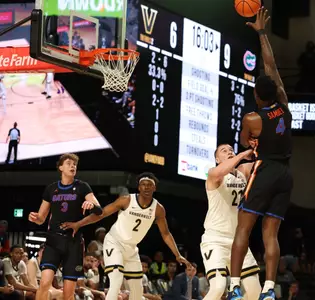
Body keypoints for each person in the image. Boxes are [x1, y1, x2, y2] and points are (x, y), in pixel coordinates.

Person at [229, 8, 293, 300]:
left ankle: (233, 286)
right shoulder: (283, 103)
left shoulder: (253, 118)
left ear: (257, 95)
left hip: (265, 170)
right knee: (271, 234)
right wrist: (262, 33)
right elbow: (271, 66)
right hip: (286, 173)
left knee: (244, 226)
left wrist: (252, 140)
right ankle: (269, 289)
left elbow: (245, 142)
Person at [61, 172, 191, 300]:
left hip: (131, 249)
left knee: (137, 289)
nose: (146, 187)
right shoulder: (126, 200)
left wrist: (177, 254)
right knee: (116, 279)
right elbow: (101, 214)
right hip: (114, 242)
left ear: (154, 188)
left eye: (149, 185)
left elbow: (166, 233)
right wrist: (78, 224)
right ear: (139, 187)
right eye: (143, 184)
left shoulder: (158, 209)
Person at [28, 153, 103, 300]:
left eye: (75, 164)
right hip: (53, 241)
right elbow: (42, 218)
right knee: (44, 282)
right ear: (60, 167)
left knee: (68, 293)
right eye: (68, 163)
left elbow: (99, 211)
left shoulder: (82, 187)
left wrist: (90, 206)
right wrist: (35, 218)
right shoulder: (51, 189)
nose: (72, 166)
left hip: (73, 243)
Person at [202, 145, 260, 300]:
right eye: (224, 151)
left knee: (254, 290)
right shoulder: (213, 173)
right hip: (215, 239)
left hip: (237, 241)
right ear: (216, 159)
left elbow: (260, 160)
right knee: (218, 288)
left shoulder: (242, 173)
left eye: (230, 150)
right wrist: (240, 155)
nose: (229, 152)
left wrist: (258, 145)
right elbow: (221, 171)